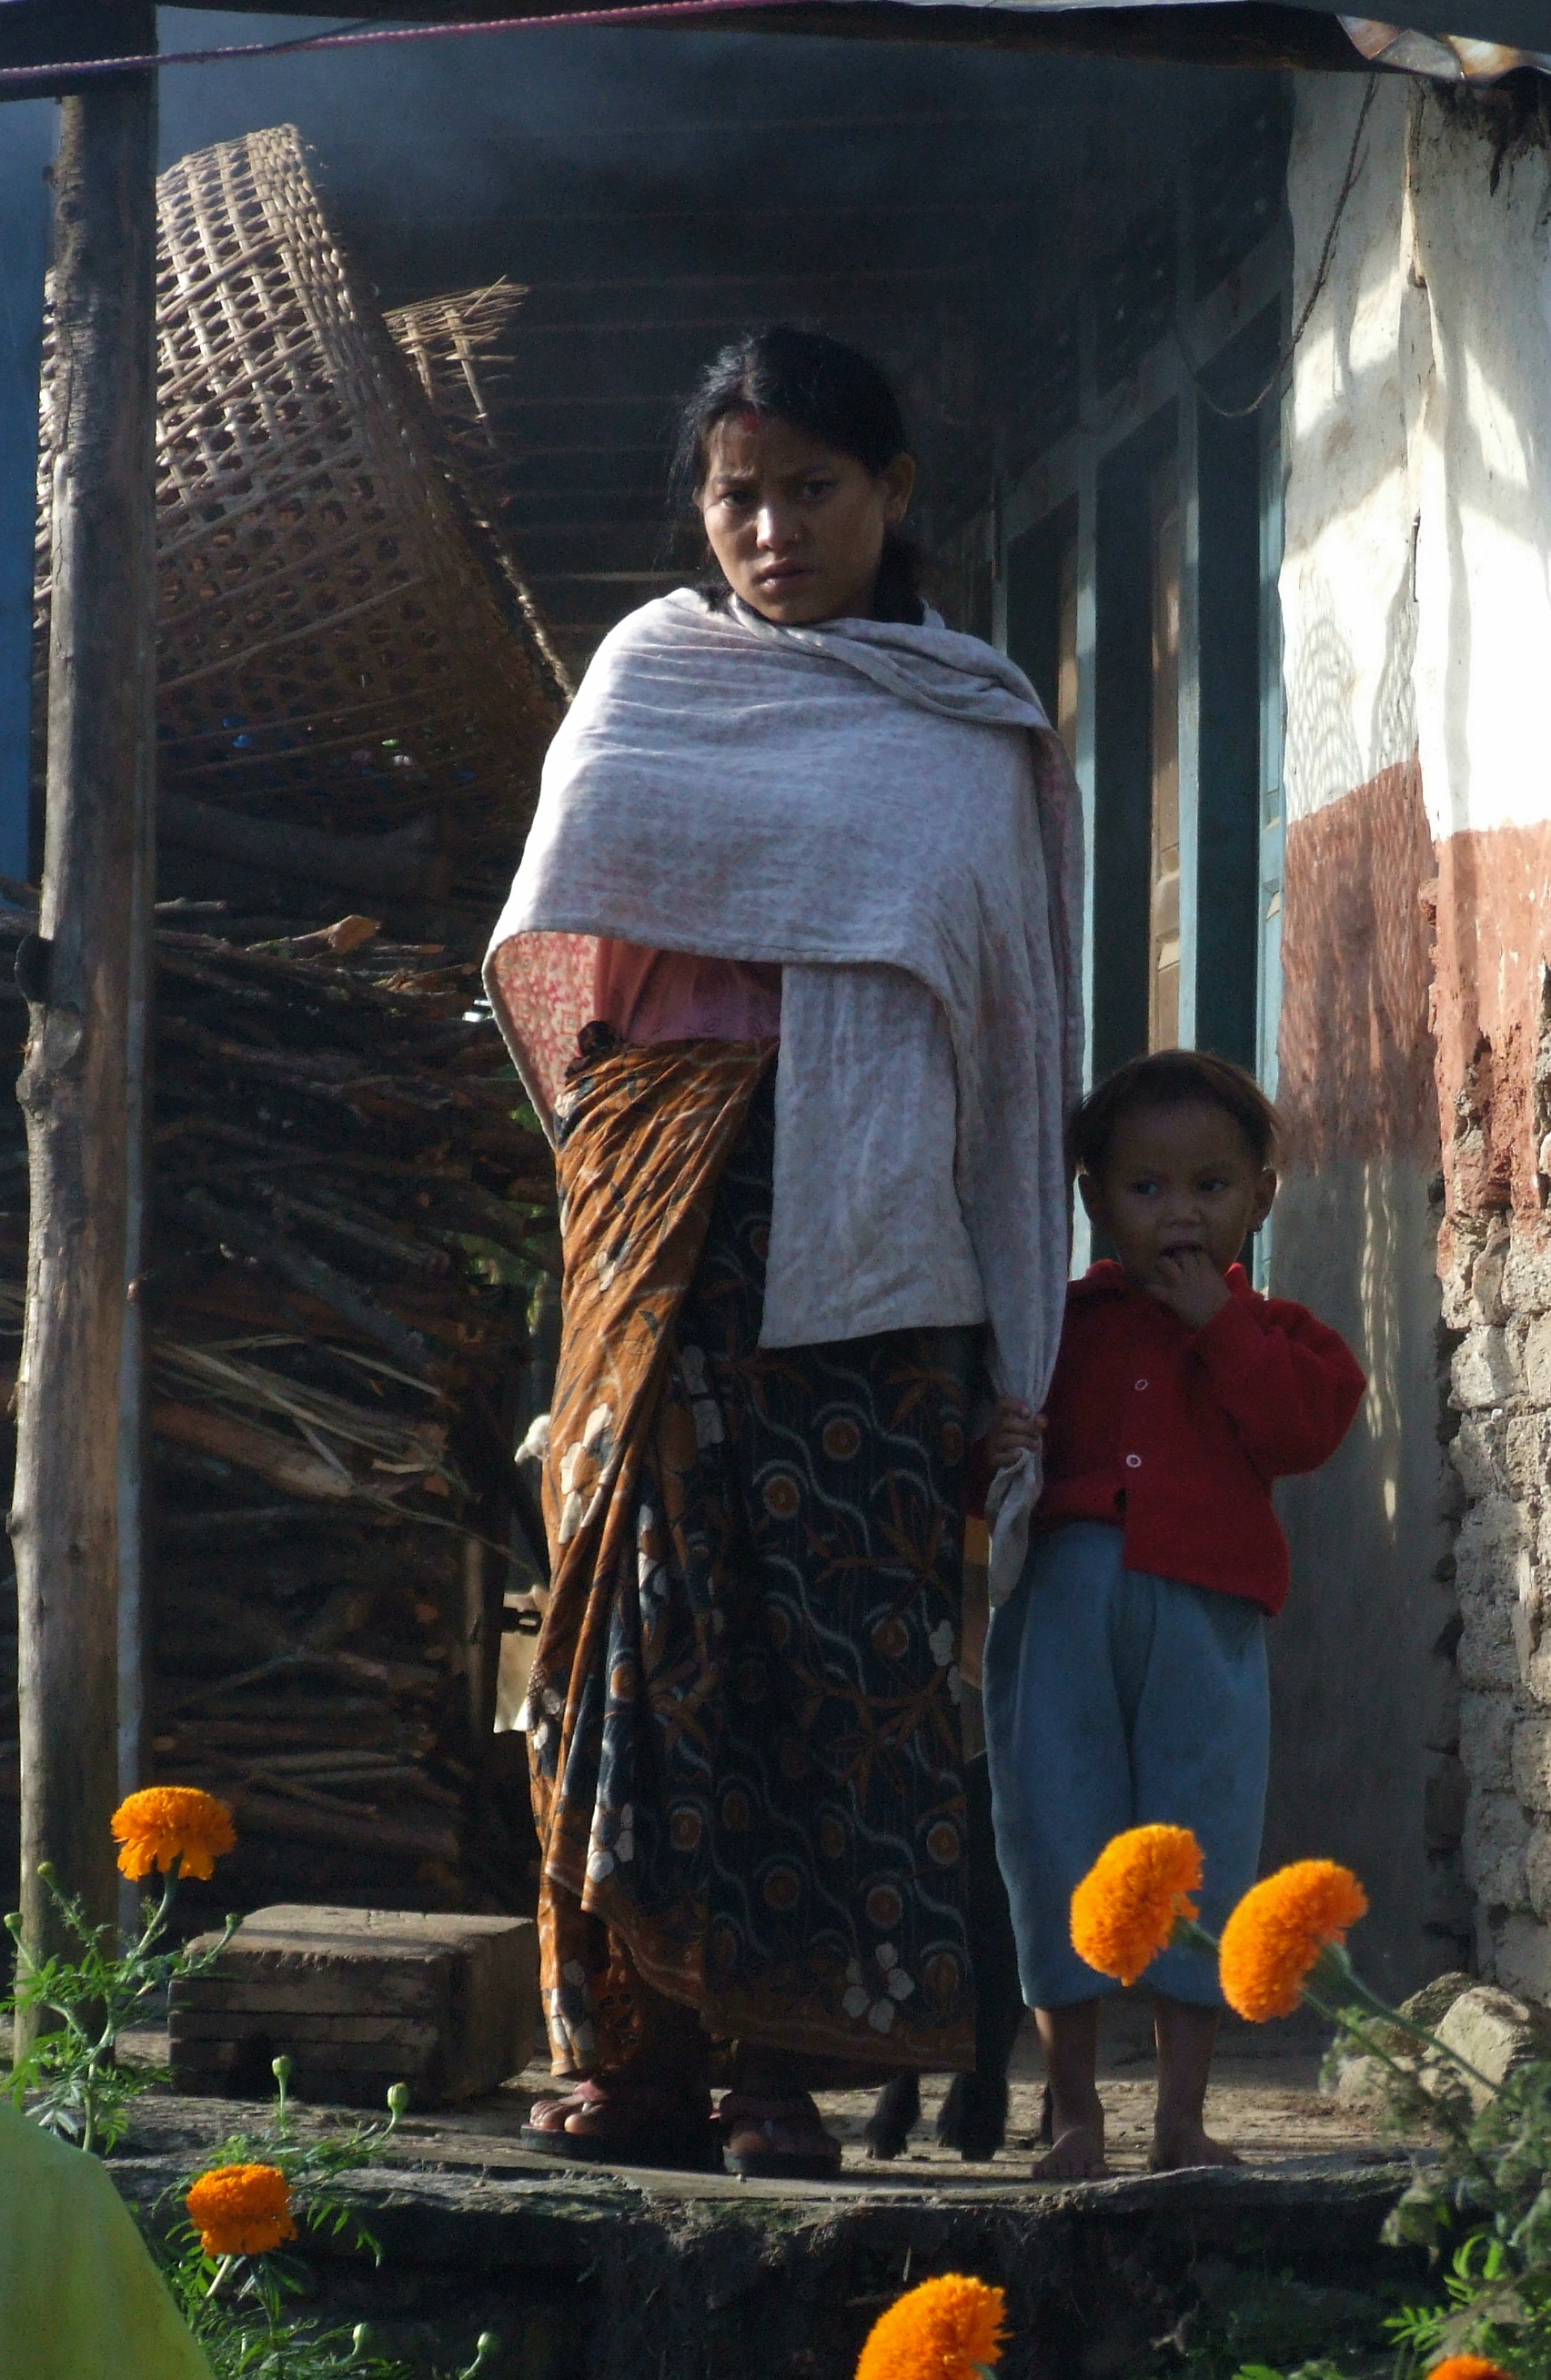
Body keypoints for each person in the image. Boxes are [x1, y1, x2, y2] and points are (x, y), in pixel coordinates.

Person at [483, 328, 1081, 2181]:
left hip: (878, 1245)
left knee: (835, 1643)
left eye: (811, 489)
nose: (771, 529)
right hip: (663, 1203)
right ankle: (633, 2058)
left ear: (893, 493)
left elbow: (1012, 1032)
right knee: (630, 1616)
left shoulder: (966, 726)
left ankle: (778, 2077)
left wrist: (1016, 1338)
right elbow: (563, 955)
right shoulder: (650, 676)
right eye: (737, 494)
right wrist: (641, 1148)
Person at [981, 1049, 1366, 2178]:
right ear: (1094, 1201)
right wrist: (994, 1446)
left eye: (1209, 1186)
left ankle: (1180, 2120)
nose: (1179, 1214)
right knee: (1055, 1836)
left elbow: (1298, 1435)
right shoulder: (1052, 1330)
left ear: (1260, 1198)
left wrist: (1219, 1327)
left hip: (1207, 1626)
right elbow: (979, 1469)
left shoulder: (1284, 1339)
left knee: (1198, 1847)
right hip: (1059, 1616)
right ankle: (1071, 2112)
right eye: (1145, 1188)